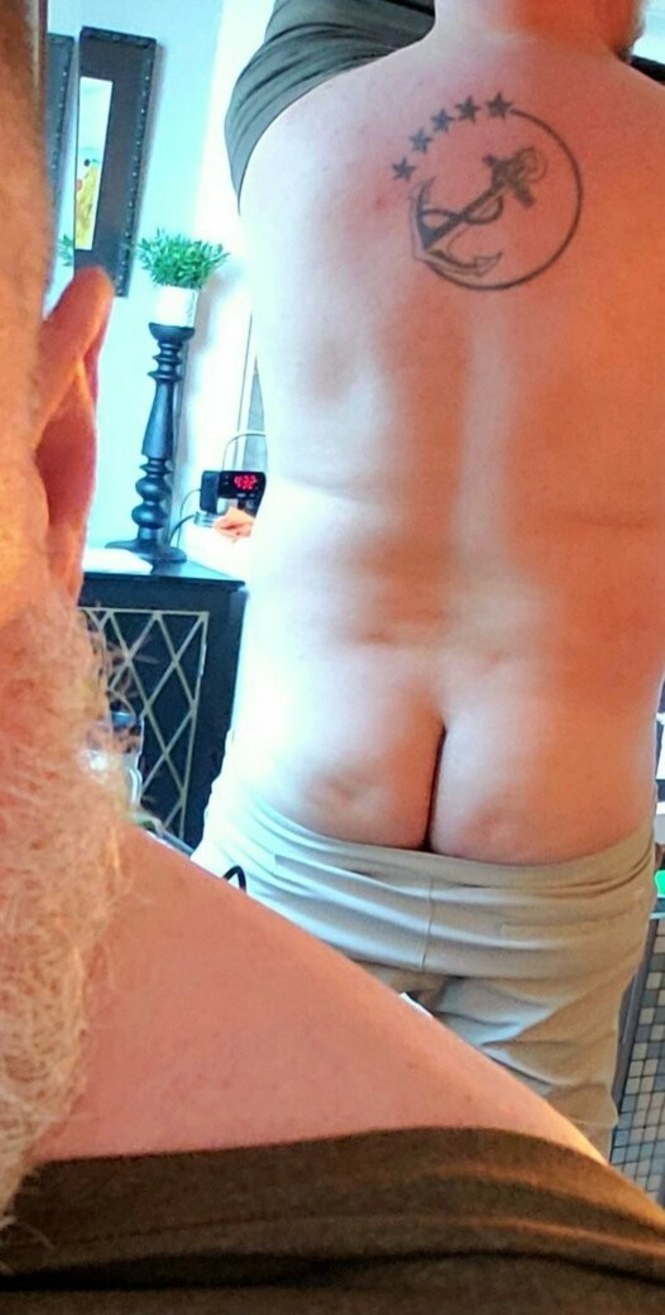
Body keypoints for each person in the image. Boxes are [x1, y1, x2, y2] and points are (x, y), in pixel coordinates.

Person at [0, 2, 661, 1312]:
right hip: (555, 795)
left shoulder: (306, 127)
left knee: (260, 1175)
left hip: (324, 767)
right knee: (535, 1220)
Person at [195, 0, 665, 1157]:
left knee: (241, 1192)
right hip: (556, 820)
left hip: (314, 789)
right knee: (523, 1219)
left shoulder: (296, 126)